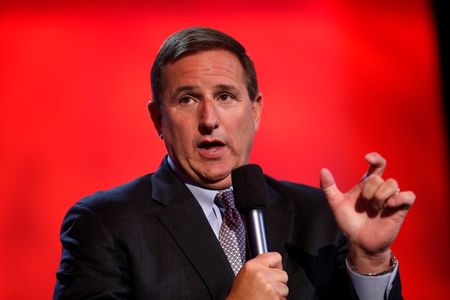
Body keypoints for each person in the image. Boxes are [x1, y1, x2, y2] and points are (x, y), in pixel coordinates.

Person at [53, 27, 415, 299]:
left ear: (255, 110)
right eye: (187, 100)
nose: (209, 119)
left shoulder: (320, 216)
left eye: (225, 96)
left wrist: (370, 260)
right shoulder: (104, 223)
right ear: (158, 119)